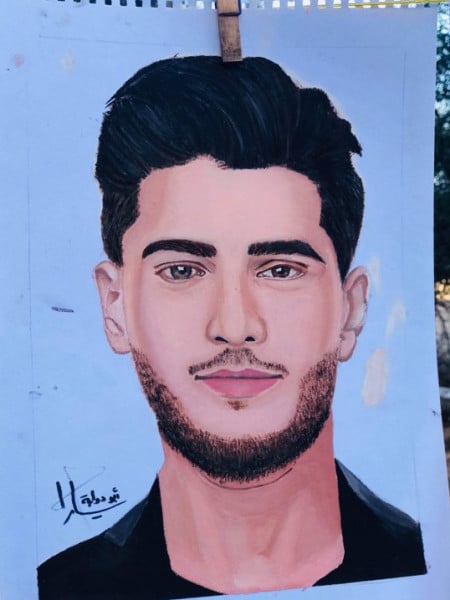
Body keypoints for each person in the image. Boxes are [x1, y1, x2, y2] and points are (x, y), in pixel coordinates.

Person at [38, 55, 426, 600]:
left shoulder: (430, 564)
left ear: (351, 309)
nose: (235, 326)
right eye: (182, 271)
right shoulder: (57, 588)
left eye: (281, 270)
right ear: (115, 306)